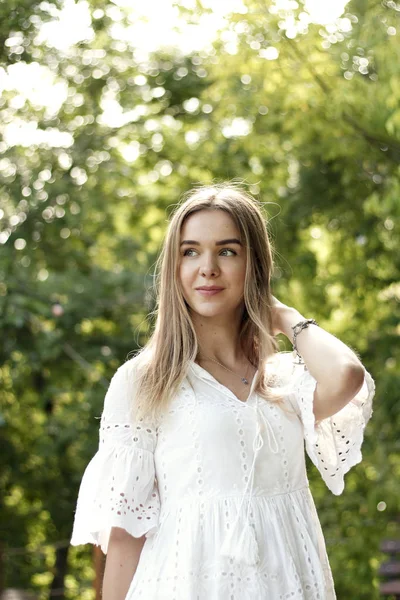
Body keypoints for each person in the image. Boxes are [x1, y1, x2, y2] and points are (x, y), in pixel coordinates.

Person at [70, 182, 375, 599]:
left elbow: (347, 377)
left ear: (254, 265)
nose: (207, 268)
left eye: (227, 251)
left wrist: (284, 316)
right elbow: (125, 534)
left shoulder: (284, 379)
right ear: (174, 267)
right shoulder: (144, 381)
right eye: (190, 251)